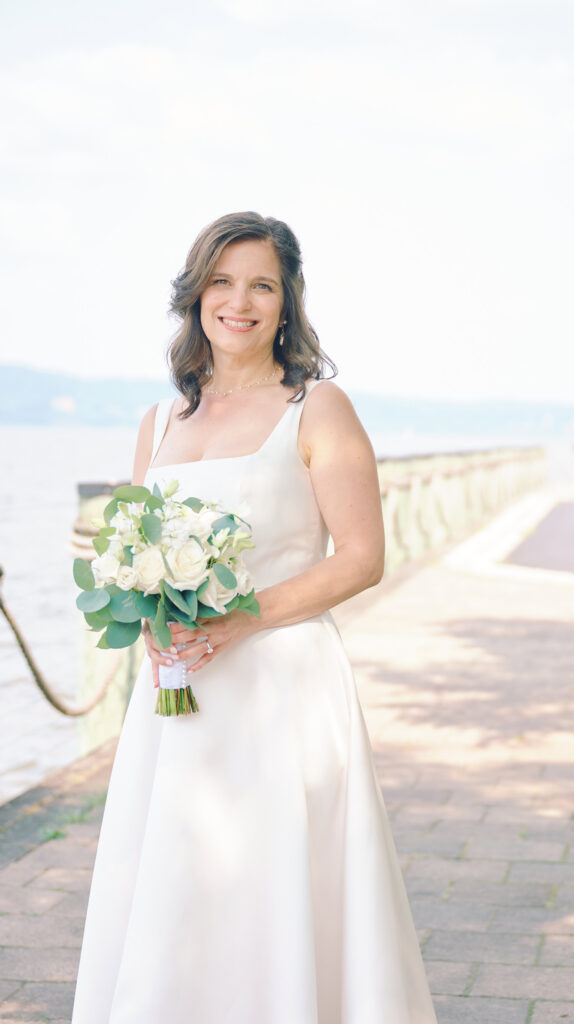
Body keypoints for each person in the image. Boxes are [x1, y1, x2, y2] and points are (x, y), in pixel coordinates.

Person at [71, 212, 437, 1023]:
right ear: (197, 293)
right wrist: (147, 609)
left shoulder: (317, 407)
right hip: (178, 691)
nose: (239, 301)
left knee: (279, 879)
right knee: (176, 875)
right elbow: (137, 546)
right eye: (223, 281)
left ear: (286, 302)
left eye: (262, 284)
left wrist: (241, 619)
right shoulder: (159, 422)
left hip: (280, 683)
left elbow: (360, 556)